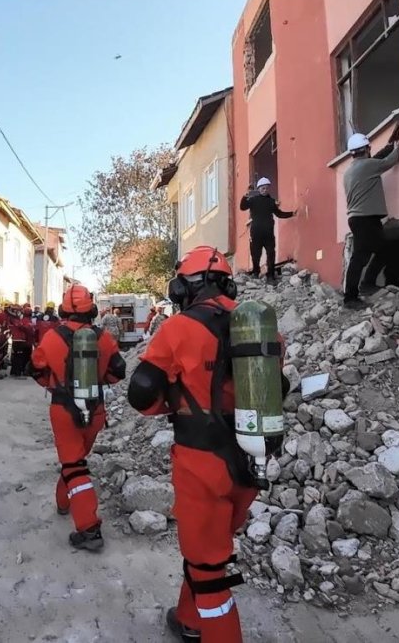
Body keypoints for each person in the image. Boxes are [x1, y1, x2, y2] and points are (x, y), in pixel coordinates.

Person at [126, 246, 289, 642]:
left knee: (208, 566)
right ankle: (189, 619)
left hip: (202, 462)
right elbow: (275, 387)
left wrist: (174, 404)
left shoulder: (179, 329)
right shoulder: (261, 328)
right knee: (208, 553)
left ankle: (215, 630)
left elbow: (141, 393)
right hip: (251, 460)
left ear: (186, 286)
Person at [28, 285, 126, 551]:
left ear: (62, 310)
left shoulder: (51, 338)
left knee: (74, 465)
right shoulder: (103, 338)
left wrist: (54, 384)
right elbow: (118, 373)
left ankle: (89, 528)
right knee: (75, 462)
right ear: (92, 310)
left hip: (63, 411)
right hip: (95, 411)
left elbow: (35, 369)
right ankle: (63, 502)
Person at [343, 122, 399, 309]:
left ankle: (366, 284)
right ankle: (351, 297)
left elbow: (375, 160)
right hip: (365, 218)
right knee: (361, 257)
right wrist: (398, 145)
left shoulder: (352, 170)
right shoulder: (368, 166)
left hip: (362, 218)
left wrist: (386, 147)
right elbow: (390, 161)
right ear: (366, 149)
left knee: (381, 251)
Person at [239, 177, 296, 282]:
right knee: (255, 254)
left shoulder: (271, 202)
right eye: (262, 188)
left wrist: (292, 213)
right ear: (259, 189)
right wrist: (246, 194)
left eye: (266, 188)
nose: (264, 190)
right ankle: (256, 272)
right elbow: (242, 207)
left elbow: (279, 214)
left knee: (271, 253)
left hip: (268, 233)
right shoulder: (253, 200)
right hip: (256, 232)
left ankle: (270, 276)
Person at [10, 303, 36, 377]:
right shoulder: (23, 321)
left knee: (17, 356)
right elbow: (28, 330)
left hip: (21, 340)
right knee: (21, 357)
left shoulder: (19, 320)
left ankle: (15, 371)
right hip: (22, 340)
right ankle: (20, 371)